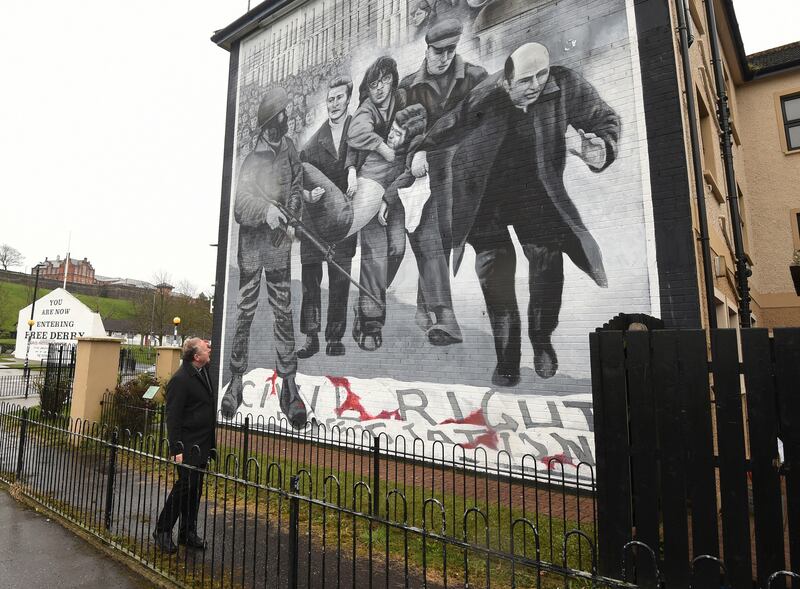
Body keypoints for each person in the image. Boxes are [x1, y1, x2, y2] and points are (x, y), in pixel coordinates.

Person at [413, 42, 620, 386]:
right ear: (506, 83)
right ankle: (507, 361)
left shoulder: (563, 84)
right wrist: (422, 148)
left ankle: (542, 340)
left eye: (541, 75)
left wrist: (603, 147)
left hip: (534, 192)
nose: (536, 85)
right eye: (526, 80)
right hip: (484, 196)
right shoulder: (486, 95)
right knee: (496, 274)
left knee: (546, 264)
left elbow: (604, 117)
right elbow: (452, 122)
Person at [221, 87, 308, 429]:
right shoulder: (251, 160)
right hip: (252, 253)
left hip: (279, 250)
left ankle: (288, 384)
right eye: (282, 116)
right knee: (244, 313)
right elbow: (240, 205)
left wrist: (291, 219)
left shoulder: (290, 151)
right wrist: (266, 211)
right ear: (271, 123)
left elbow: (298, 188)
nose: (287, 119)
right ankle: (236, 379)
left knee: (283, 313)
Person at [398, 18, 487, 346]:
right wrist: (417, 150)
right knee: (426, 235)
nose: (445, 57)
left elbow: (486, 120)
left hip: (461, 175)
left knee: (438, 235)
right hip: (421, 174)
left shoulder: (475, 77)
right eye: (439, 51)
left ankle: (435, 312)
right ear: (428, 48)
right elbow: (401, 131)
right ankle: (436, 312)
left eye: (451, 50)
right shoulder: (409, 86)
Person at [344, 56, 408, 351]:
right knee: (375, 252)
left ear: (392, 80)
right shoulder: (366, 111)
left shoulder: (404, 100)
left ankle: (372, 296)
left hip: (396, 189)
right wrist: (381, 146)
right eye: (373, 84)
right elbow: (354, 137)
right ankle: (370, 322)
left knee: (396, 248)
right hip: (369, 188)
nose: (379, 88)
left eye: (384, 81)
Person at [297, 76, 358, 358]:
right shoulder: (311, 145)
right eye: (330, 99)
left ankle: (334, 337)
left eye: (339, 98)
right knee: (311, 279)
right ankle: (311, 337)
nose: (334, 104)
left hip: (344, 218)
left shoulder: (358, 130)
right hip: (313, 219)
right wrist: (308, 197)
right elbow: (295, 180)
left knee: (340, 278)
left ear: (349, 99)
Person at [152, 338, 216, 554]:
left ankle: (186, 533)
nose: (210, 348)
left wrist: (211, 445)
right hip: (187, 444)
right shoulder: (180, 379)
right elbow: (173, 416)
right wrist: (176, 449)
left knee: (195, 490)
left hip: (202, 444)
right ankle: (162, 530)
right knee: (186, 486)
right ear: (196, 356)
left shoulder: (204, 371)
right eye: (205, 347)